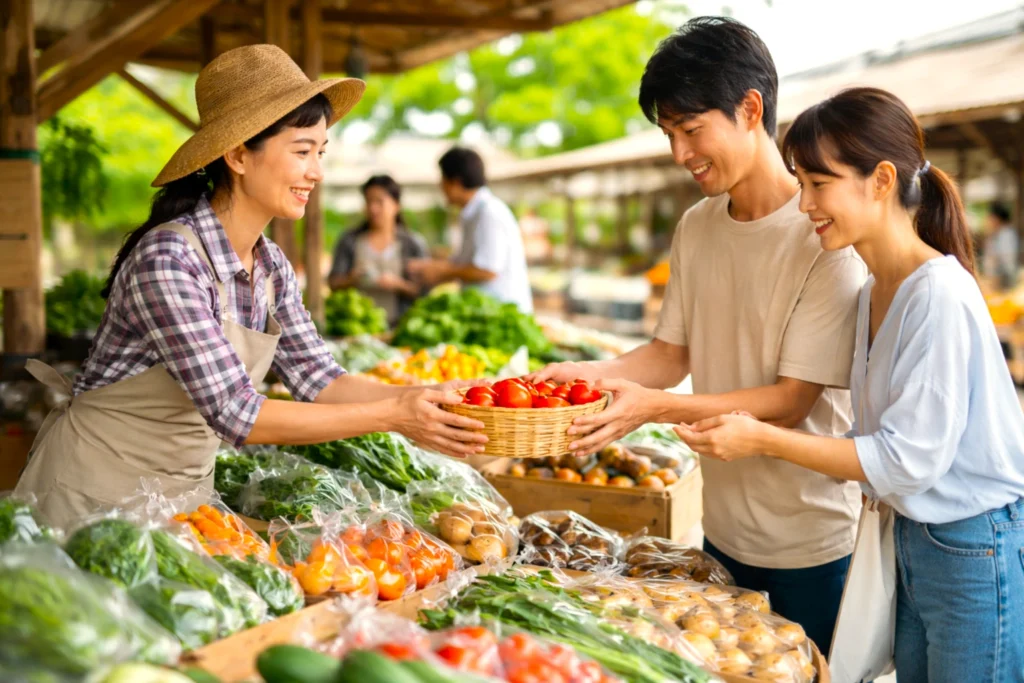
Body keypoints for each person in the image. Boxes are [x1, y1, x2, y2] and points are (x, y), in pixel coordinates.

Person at [14, 45, 486, 530]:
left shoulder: (272, 267)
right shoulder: (168, 260)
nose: (316, 172)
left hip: (180, 498)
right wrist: (394, 415)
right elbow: (237, 412)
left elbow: (319, 379)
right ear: (238, 154)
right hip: (89, 497)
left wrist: (435, 398)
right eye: (302, 151)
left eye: (320, 153)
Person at [529, 17, 866, 655]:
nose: (680, 154)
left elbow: (792, 400)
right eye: (669, 134)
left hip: (813, 544)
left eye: (690, 130)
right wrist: (585, 376)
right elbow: (668, 355)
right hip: (723, 531)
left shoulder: (825, 233)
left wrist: (651, 410)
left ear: (749, 109)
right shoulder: (697, 225)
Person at [676, 87, 1024, 682]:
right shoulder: (870, 292)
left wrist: (759, 437)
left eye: (819, 183)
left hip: (971, 546)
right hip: (914, 537)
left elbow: (905, 459)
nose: (804, 203)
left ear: (881, 180)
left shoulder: (937, 293)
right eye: (801, 182)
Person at [407, 147, 533, 313]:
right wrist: (435, 268)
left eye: (443, 179)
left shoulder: (489, 213)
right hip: (486, 311)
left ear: (456, 182)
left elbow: (487, 270)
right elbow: (467, 263)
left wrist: (443, 271)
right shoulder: (472, 213)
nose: (441, 187)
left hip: (502, 313)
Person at [328, 174, 427, 325]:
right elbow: (333, 283)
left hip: (402, 326)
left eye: (380, 202)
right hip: (358, 327)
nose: (373, 208)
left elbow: (424, 291)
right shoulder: (349, 241)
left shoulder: (413, 244)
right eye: (368, 202)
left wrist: (398, 284)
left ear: (396, 205)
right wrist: (351, 279)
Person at [981, 201, 1019, 290]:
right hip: (996, 281)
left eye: (990, 217)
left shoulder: (1006, 234)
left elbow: (1006, 262)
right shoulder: (996, 233)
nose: (988, 220)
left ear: (996, 218)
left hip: (1003, 282)